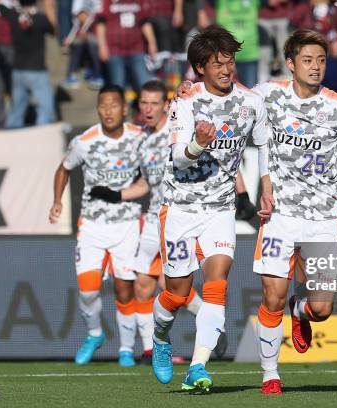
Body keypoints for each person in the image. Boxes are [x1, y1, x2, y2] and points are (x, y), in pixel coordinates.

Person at [252, 29, 337, 394]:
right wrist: (187, 89)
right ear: (291, 64)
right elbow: (226, 94)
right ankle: (270, 374)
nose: (315, 67)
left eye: (321, 60)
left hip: (323, 218)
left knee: (321, 309)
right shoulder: (267, 94)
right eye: (307, 60)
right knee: (271, 297)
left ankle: (299, 309)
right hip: (279, 217)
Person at [150, 25, 269, 393]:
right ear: (200, 68)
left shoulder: (252, 102)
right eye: (218, 63)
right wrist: (199, 145)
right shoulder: (185, 101)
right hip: (181, 208)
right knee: (178, 294)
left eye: (229, 61)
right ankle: (160, 336)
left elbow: (265, 146)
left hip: (220, 209)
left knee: (217, 284)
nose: (226, 69)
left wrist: (265, 187)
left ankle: (198, 367)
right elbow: (177, 159)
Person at [87, 80, 205, 364]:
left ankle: (211, 325)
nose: (148, 108)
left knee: (173, 286)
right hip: (154, 219)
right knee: (143, 284)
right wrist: (115, 194)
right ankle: (152, 349)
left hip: (180, 216)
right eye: (144, 103)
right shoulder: (144, 140)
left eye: (155, 103)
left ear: (166, 105)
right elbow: (145, 185)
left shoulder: (178, 129)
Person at [48, 84, 149, 367]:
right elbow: (63, 169)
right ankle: (95, 334)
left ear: (124, 108)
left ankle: (127, 349)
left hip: (128, 223)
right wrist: (57, 201)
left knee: (125, 289)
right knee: (88, 289)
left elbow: (152, 174)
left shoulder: (140, 139)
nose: (107, 111)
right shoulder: (85, 141)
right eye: (102, 105)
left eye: (113, 105)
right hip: (92, 224)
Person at [0, 0, 56, 128]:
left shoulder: (13, 16)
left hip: (18, 71)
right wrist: (49, 7)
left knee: (16, 113)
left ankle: (11, 140)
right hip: (37, 71)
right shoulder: (41, 19)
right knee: (45, 111)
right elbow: (54, 29)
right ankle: (41, 139)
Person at [96, 0, 156, 92]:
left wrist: (152, 42)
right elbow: (100, 23)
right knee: (117, 86)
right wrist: (102, 46)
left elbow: (145, 22)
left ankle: (146, 105)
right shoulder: (107, 2)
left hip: (137, 49)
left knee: (144, 84)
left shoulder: (139, 1)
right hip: (114, 51)